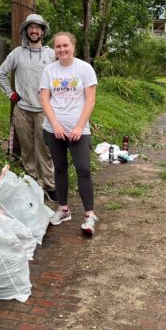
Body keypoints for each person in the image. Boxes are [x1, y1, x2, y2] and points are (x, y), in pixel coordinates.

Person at [39, 32, 99, 235]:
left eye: (66, 45)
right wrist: (55, 125)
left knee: (83, 170)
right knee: (60, 168)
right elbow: (45, 99)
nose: (62, 50)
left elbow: (90, 100)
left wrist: (78, 127)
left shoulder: (84, 69)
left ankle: (89, 215)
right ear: (54, 49)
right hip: (53, 130)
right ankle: (64, 209)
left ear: (73, 46)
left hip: (78, 130)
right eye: (58, 47)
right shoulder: (49, 70)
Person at [0, 14, 57, 202]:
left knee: (45, 150)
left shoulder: (51, 54)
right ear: (26, 31)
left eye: (37, 27)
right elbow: (1, 73)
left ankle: (50, 185)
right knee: (27, 149)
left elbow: (62, 75)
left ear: (43, 31)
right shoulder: (17, 53)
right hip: (22, 109)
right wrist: (10, 94)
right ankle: (32, 183)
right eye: (30, 27)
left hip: (44, 111)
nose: (34, 31)